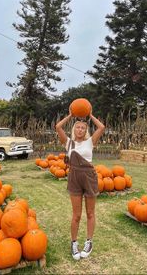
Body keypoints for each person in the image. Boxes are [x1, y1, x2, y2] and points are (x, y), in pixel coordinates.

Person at [56, 108, 105, 260]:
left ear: (86, 131)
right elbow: (58, 127)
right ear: (74, 129)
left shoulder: (90, 142)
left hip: (89, 177)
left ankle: (89, 242)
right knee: (76, 215)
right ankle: (74, 243)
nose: (80, 129)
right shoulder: (68, 143)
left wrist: (89, 114)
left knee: (90, 213)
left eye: (83, 127)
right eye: (77, 126)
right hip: (74, 178)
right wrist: (71, 115)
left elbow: (101, 127)